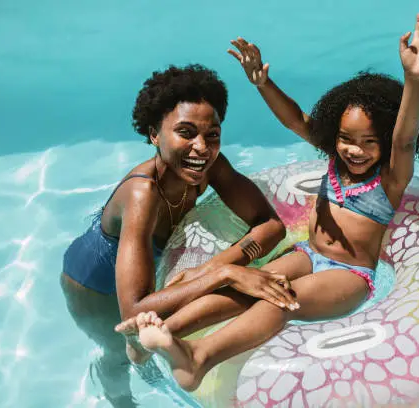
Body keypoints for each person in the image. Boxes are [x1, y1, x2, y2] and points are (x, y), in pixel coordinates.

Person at [117, 12, 419, 392]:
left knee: (280, 301)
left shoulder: (389, 179)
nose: (354, 150)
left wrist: (415, 77)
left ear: (385, 143)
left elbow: (405, 138)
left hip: (349, 275)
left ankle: (198, 358)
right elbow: (296, 120)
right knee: (250, 286)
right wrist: (263, 83)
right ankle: (160, 332)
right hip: (308, 253)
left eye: (369, 142)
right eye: (345, 138)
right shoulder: (335, 159)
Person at [60, 64, 298, 407]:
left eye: (212, 134)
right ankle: (120, 400)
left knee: (149, 349)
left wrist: (219, 263)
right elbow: (132, 310)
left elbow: (270, 224)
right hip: (93, 286)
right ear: (154, 133)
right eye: (185, 133)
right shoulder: (143, 194)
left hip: (142, 270)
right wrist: (225, 274)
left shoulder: (208, 166)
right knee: (120, 354)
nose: (201, 147)